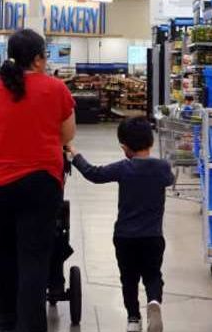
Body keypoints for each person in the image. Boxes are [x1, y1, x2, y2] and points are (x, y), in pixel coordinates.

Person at [0, 28, 76, 332]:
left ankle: (7, 324)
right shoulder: (56, 89)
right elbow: (67, 134)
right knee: (34, 259)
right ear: (39, 59)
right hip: (41, 184)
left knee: (2, 255)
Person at [67, 119, 175, 332]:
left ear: (125, 148)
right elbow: (169, 179)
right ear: (151, 142)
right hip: (153, 236)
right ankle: (154, 301)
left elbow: (94, 174)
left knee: (129, 279)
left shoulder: (123, 168)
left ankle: (133, 319)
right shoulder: (162, 168)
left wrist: (75, 155)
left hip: (125, 237)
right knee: (153, 275)